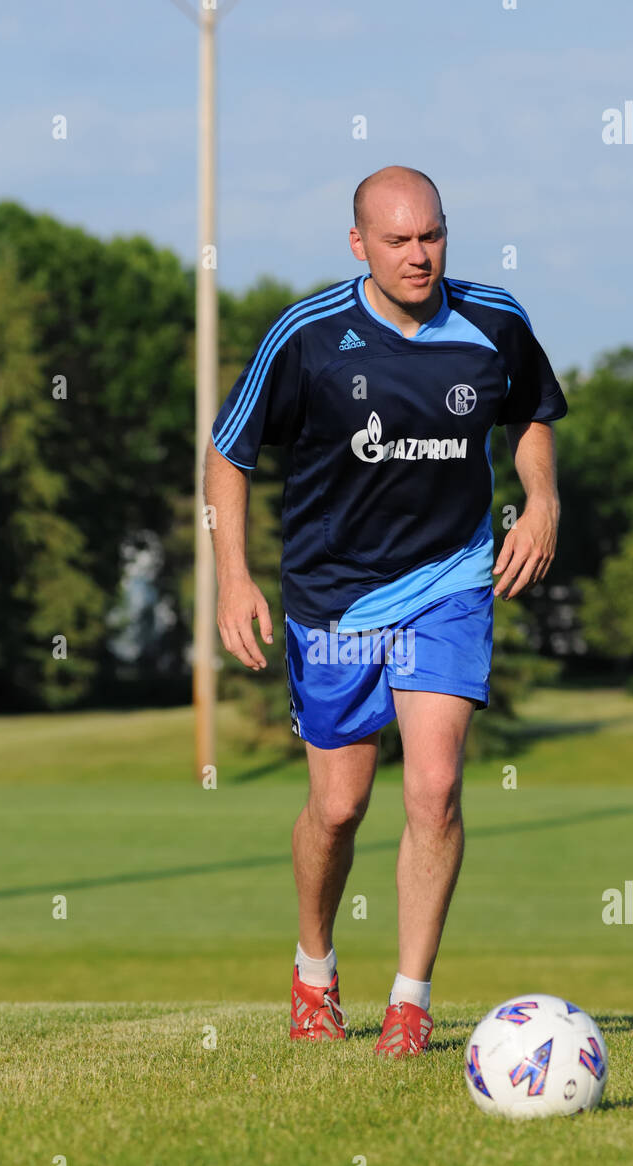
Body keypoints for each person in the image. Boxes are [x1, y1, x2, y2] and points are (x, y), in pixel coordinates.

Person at [205, 165, 567, 1054]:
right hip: (332, 598)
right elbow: (229, 453)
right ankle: (314, 971)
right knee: (338, 808)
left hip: (449, 582)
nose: (418, 255)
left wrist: (543, 501)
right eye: (397, 240)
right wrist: (233, 578)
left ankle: (410, 1002)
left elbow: (530, 414)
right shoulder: (308, 335)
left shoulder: (495, 321)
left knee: (434, 791)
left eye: (431, 235)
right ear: (358, 244)